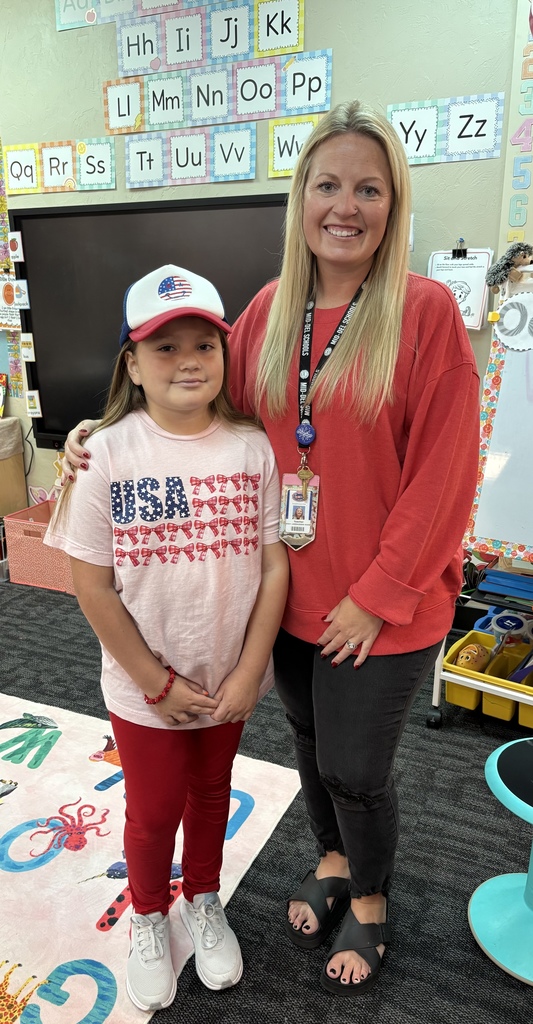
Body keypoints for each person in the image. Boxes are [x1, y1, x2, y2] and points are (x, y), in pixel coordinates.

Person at [62, 100, 480, 997]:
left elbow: (447, 470)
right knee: (303, 739)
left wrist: (378, 591)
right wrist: (95, 434)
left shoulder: (424, 310)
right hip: (282, 590)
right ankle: (331, 860)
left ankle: (369, 901)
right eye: (327, 184)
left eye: (368, 188)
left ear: (391, 203)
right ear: (300, 200)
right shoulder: (267, 310)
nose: (346, 204)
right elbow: (196, 404)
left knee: (354, 768)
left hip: (378, 605)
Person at [47, 264, 288, 1012]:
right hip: (142, 686)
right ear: (132, 363)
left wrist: (251, 671)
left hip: (227, 679)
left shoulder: (251, 449)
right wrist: (155, 681)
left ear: (225, 354)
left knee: (212, 795)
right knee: (153, 812)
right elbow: (93, 586)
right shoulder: (106, 455)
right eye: (164, 347)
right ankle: (148, 914)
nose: (187, 361)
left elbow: (274, 563)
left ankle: (203, 898)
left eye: (203, 346)